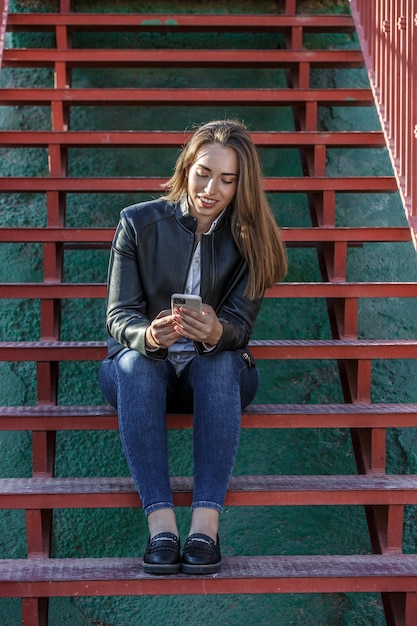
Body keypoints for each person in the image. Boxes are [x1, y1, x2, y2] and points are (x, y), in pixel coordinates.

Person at [99, 119, 287, 575]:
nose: (211, 188)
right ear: (187, 167)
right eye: (204, 172)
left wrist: (215, 332)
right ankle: (161, 527)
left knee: (221, 363)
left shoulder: (253, 237)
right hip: (144, 374)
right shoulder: (138, 223)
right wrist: (149, 336)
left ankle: (205, 527)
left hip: (215, 375)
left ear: (242, 185)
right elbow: (118, 315)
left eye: (228, 180)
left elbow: (240, 326)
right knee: (134, 365)